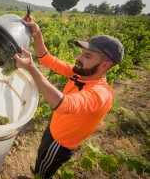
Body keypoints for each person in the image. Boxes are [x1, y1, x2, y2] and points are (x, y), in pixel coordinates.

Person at [14, 19, 124, 178]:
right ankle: (39, 167)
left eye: (87, 55)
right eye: (81, 53)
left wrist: (31, 68)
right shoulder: (79, 72)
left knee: (45, 171)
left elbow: (63, 105)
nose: (79, 58)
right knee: (42, 155)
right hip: (54, 128)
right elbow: (47, 59)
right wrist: (37, 34)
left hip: (60, 143)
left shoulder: (101, 94)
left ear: (105, 65)